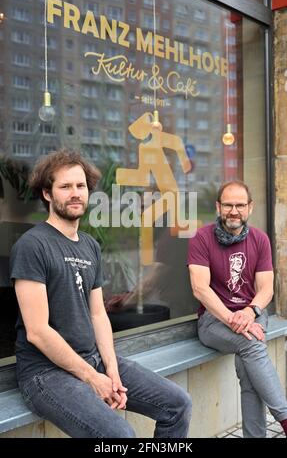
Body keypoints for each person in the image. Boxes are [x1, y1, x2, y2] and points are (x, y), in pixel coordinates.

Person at [10, 149, 192, 438]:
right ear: (47, 193)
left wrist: (111, 370)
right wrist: (92, 377)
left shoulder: (89, 246)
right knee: (119, 435)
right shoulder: (33, 245)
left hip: (93, 359)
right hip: (45, 373)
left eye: (80, 186)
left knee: (177, 404)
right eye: (65, 186)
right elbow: (37, 331)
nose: (75, 193)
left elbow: (98, 314)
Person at [188, 180, 287, 438]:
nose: (234, 211)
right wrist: (233, 318)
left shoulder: (259, 240)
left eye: (240, 205)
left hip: (252, 314)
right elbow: (200, 289)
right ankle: (285, 419)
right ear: (218, 207)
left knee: (248, 367)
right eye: (228, 205)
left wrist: (250, 312)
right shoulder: (202, 238)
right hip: (213, 321)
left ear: (250, 208)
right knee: (253, 344)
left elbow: (266, 289)